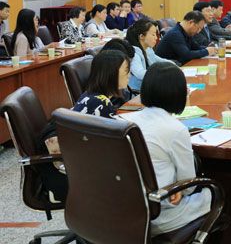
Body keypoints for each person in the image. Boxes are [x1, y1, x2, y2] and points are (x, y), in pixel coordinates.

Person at [120, 62, 212, 236]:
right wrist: (179, 190)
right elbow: (188, 185)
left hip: (122, 210)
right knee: (212, 193)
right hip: (158, 213)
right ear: (180, 94)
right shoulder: (176, 129)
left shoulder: (123, 120)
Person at [35, 49, 131, 202]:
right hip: (74, 172)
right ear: (111, 74)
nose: (129, 75)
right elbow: (116, 145)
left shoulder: (90, 95)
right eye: (126, 71)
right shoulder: (101, 103)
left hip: (77, 159)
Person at [126, 19, 173, 92]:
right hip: (137, 92)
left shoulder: (148, 49)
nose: (156, 38)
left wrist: (172, 65)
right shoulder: (134, 53)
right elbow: (140, 73)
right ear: (141, 36)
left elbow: (158, 59)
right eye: (153, 34)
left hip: (148, 87)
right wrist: (162, 74)